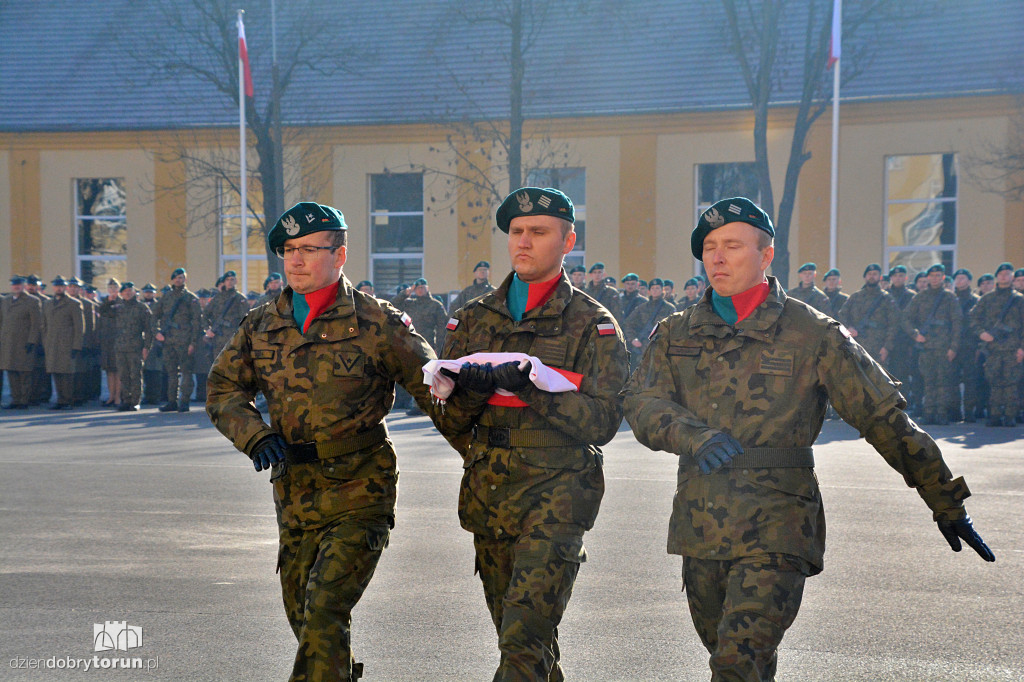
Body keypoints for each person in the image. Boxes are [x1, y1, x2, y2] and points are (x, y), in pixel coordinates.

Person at [622, 197, 995, 682]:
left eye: (732, 245)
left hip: (780, 520)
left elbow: (884, 418)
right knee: (736, 658)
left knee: (736, 664)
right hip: (701, 524)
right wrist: (692, 435)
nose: (717, 257)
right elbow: (639, 401)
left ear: (766, 254)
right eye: (709, 247)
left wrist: (945, 498)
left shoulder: (812, 332)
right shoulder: (675, 331)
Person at [207, 201, 439, 682]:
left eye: (310, 249)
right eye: (289, 250)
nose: (296, 260)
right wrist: (255, 436)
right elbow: (223, 389)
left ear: (340, 255)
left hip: (361, 486)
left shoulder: (377, 322)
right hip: (295, 489)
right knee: (303, 612)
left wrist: (490, 454)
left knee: (325, 607)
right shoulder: (261, 323)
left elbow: (437, 391)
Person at [435, 186, 629, 681]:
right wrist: (473, 393)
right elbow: (449, 421)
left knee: (522, 642)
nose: (523, 241)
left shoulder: (593, 325)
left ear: (568, 241)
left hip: (558, 495)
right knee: (522, 641)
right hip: (490, 495)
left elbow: (604, 423)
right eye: (516, 232)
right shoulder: (471, 319)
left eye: (538, 232)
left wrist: (535, 389)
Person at [900, 264, 962, 425]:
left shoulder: (950, 297)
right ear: (927, 277)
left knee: (943, 381)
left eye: (938, 275)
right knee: (928, 380)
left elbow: (957, 323)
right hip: (926, 347)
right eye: (932, 275)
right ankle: (928, 412)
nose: (935, 278)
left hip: (944, 346)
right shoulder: (920, 297)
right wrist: (915, 334)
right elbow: (905, 318)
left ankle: (941, 413)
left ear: (943, 277)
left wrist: (953, 347)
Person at [970, 262, 1024, 426]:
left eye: (1007, 274)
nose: (1004, 276)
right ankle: (994, 415)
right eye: (1001, 274)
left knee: (1011, 383)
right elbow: (973, 319)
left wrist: (1022, 348)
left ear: (1012, 277)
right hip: (992, 349)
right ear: (997, 277)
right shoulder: (987, 298)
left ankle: (1009, 416)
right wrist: (981, 333)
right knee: (993, 382)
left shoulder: (1019, 300)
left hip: (1012, 348)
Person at [151, 267, 202, 413]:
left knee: (186, 372)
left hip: (185, 340)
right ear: (173, 280)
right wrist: (156, 333)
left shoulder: (191, 298)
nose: (179, 280)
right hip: (168, 340)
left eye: (181, 277)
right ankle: (171, 401)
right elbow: (154, 316)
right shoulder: (166, 297)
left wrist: (193, 342)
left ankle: (184, 401)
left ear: (185, 279)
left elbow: (197, 322)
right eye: (176, 278)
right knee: (171, 372)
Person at [837, 263, 896, 365]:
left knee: (878, 380)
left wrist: (886, 348)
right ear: (865, 277)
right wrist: (848, 330)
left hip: (878, 348)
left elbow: (894, 324)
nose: (872, 276)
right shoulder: (855, 297)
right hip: (857, 346)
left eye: (875, 274)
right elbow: (841, 316)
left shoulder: (887, 299)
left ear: (880, 277)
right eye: (869, 274)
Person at [42, 276, 84, 410]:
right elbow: (44, 326)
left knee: (67, 374)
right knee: (55, 372)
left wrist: (77, 346)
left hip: (67, 344)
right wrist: (45, 343)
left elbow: (79, 327)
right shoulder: (48, 303)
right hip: (52, 344)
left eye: (61, 286)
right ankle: (60, 399)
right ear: (53, 287)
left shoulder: (74, 303)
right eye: (56, 286)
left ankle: (68, 400)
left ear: (65, 287)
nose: (59, 288)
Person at [0, 276, 43, 409]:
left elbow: (36, 324)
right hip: (8, 343)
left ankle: (24, 400)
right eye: (14, 285)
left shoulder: (32, 301)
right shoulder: (6, 300)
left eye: (18, 285)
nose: (16, 287)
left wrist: (32, 341)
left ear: (23, 286)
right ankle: (16, 400)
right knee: (11, 372)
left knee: (24, 373)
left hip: (23, 342)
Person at [111, 282, 153, 411]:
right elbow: (103, 311)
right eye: (125, 291)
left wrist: (147, 347)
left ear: (134, 292)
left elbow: (149, 329)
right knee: (123, 375)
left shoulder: (142, 307)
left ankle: (135, 401)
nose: (128, 293)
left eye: (130, 291)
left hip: (135, 347)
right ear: (121, 293)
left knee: (135, 375)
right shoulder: (118, 307)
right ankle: (125, 400)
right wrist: (111, 299)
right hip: (120, 347)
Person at [623, 276, 675, 369]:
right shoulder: (642, 307)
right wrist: (633, 339)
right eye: (652, 288)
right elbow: (628, 324)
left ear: (662, 290)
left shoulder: (669, 308)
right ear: (649, 291)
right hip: (642, 350)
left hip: (660, 349)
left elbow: (673, 327)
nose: (655, 290)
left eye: (657, 288)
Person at [952, 269, 982, 422]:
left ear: (969, 281)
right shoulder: (948, 299)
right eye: (957, 278)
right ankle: (955, 411)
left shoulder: (976, 300)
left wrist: (979, 346)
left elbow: (981, 324)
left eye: (963, 278)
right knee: (951, 379)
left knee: (970, 380)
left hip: (969, 346)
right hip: (951, 345)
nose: (959, 281)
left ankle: (969, 411)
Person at [139, 283, 166, 405]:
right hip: (143, 341)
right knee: (145, 371)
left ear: (155, 293)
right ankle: (147, 395)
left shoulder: (159, 305)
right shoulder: (140, 306)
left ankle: (155, 396)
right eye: (146, 292)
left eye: (151, 292)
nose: (148, 294)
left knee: (156, 370)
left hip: (156, 342)